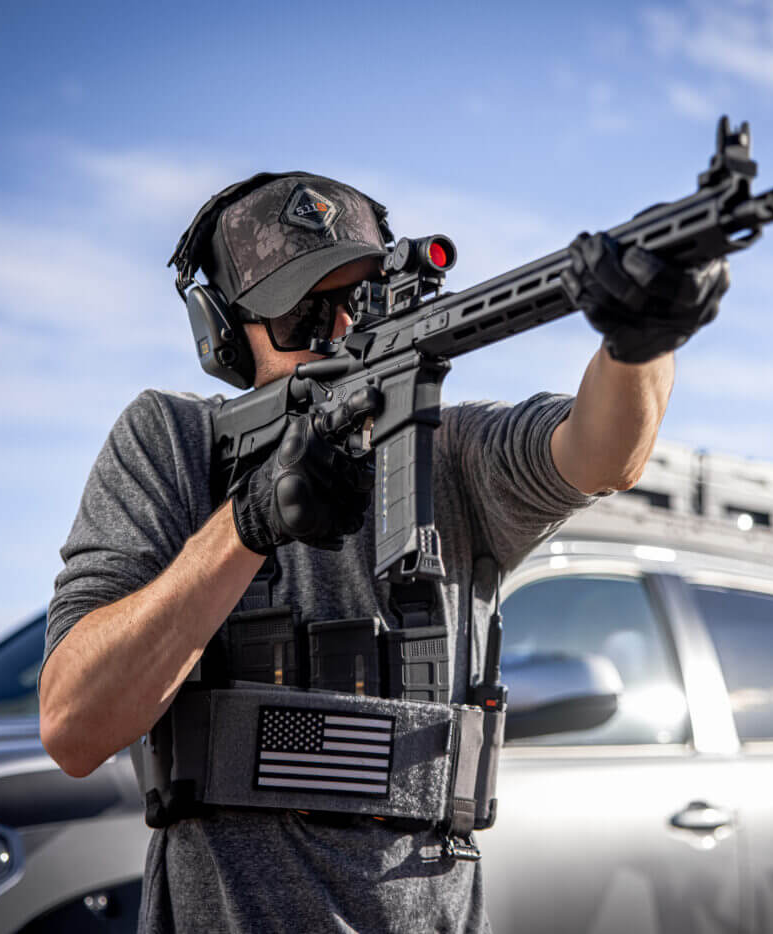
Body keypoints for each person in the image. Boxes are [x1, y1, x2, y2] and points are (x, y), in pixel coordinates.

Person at [38, 172, 728, 933]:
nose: (338, 329)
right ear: (225, 334)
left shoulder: (455, 452)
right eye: (304, 310)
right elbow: (75, 724)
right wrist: (249, 524)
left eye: (359, 300)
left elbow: (602, 452)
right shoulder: (174, 443)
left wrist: (640, 340)